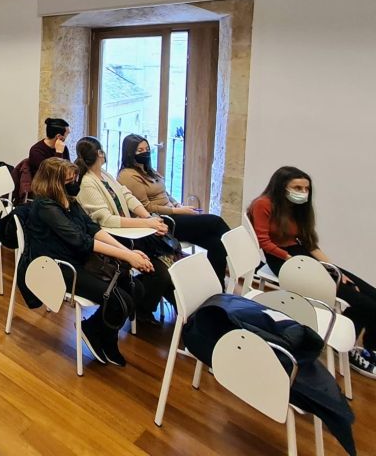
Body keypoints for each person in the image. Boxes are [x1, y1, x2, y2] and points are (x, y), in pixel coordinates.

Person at [24, 158, 154, 367]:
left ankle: (96, 330)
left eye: (73, 178)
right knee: (119, 300)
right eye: (69, 180)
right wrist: (127, 256)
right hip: (57, 266)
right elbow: (81, 240)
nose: (74, 183)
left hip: (79, 258)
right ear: (55, 183)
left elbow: (92, 229)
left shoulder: (69, 201)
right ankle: (98, 334)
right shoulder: (45, 206)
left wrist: (127, 252)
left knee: (134, 288)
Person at [248, 166, 376, 378]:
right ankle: (356, 352)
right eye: (297, 188)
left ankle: (362, 347)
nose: (303, 192)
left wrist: (334, 270)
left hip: (300, 255)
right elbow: (264, 242)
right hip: (282, 259)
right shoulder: (263, 204)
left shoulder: (298, 208)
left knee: (369, 294)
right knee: (364, 304)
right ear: (281, 187)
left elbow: (309, 244)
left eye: (306, 188)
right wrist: (292, 260)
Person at [73, 136, 173, 325]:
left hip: (128, 232)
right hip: (113, 237)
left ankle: (168, 306)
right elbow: (106, 220)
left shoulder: (105, 175)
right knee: (160, 269)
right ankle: (141, 308)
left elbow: (127, 196)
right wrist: (147, 224)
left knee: (165, 264)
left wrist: (148, 218)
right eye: (102, 151)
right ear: (99, 154)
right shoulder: (87, 182)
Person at [117, 134, 230, 282]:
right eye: (140, 150)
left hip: (174, 214)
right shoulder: (128, 175)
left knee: (216, 244)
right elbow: (147, 207)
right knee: (216, 222)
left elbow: (166, 193)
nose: (145, 152)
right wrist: (178, 211)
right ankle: (242, 251)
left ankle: (217, 286)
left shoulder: (149, 170)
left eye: (147, 149)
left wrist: (177, 204)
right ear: (130, 153)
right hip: (162, 221)